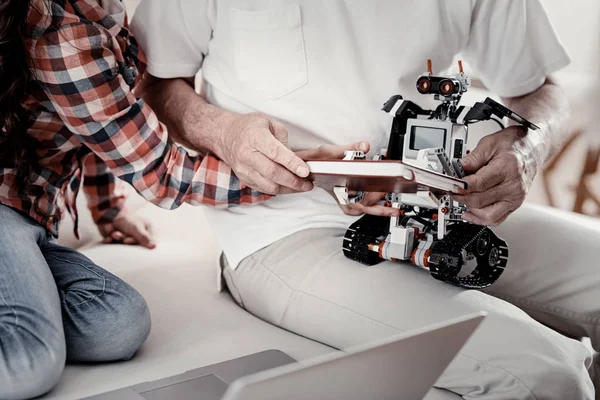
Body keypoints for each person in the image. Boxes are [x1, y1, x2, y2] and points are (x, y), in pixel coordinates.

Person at [131, 1, 600, 399]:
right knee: (545, 374)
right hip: (286, 227)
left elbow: (540, 89)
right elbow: (155, 84)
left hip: (437, 204)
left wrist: (526, 148)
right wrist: (224, 131)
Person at [0, 0, 350, 398]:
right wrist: (310, 176)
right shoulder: (60, 33)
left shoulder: (95, 12)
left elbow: (92, 125)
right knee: (30, 360)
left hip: (28, 220)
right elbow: (163, 172)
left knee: (118, 324)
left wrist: (108, 210)